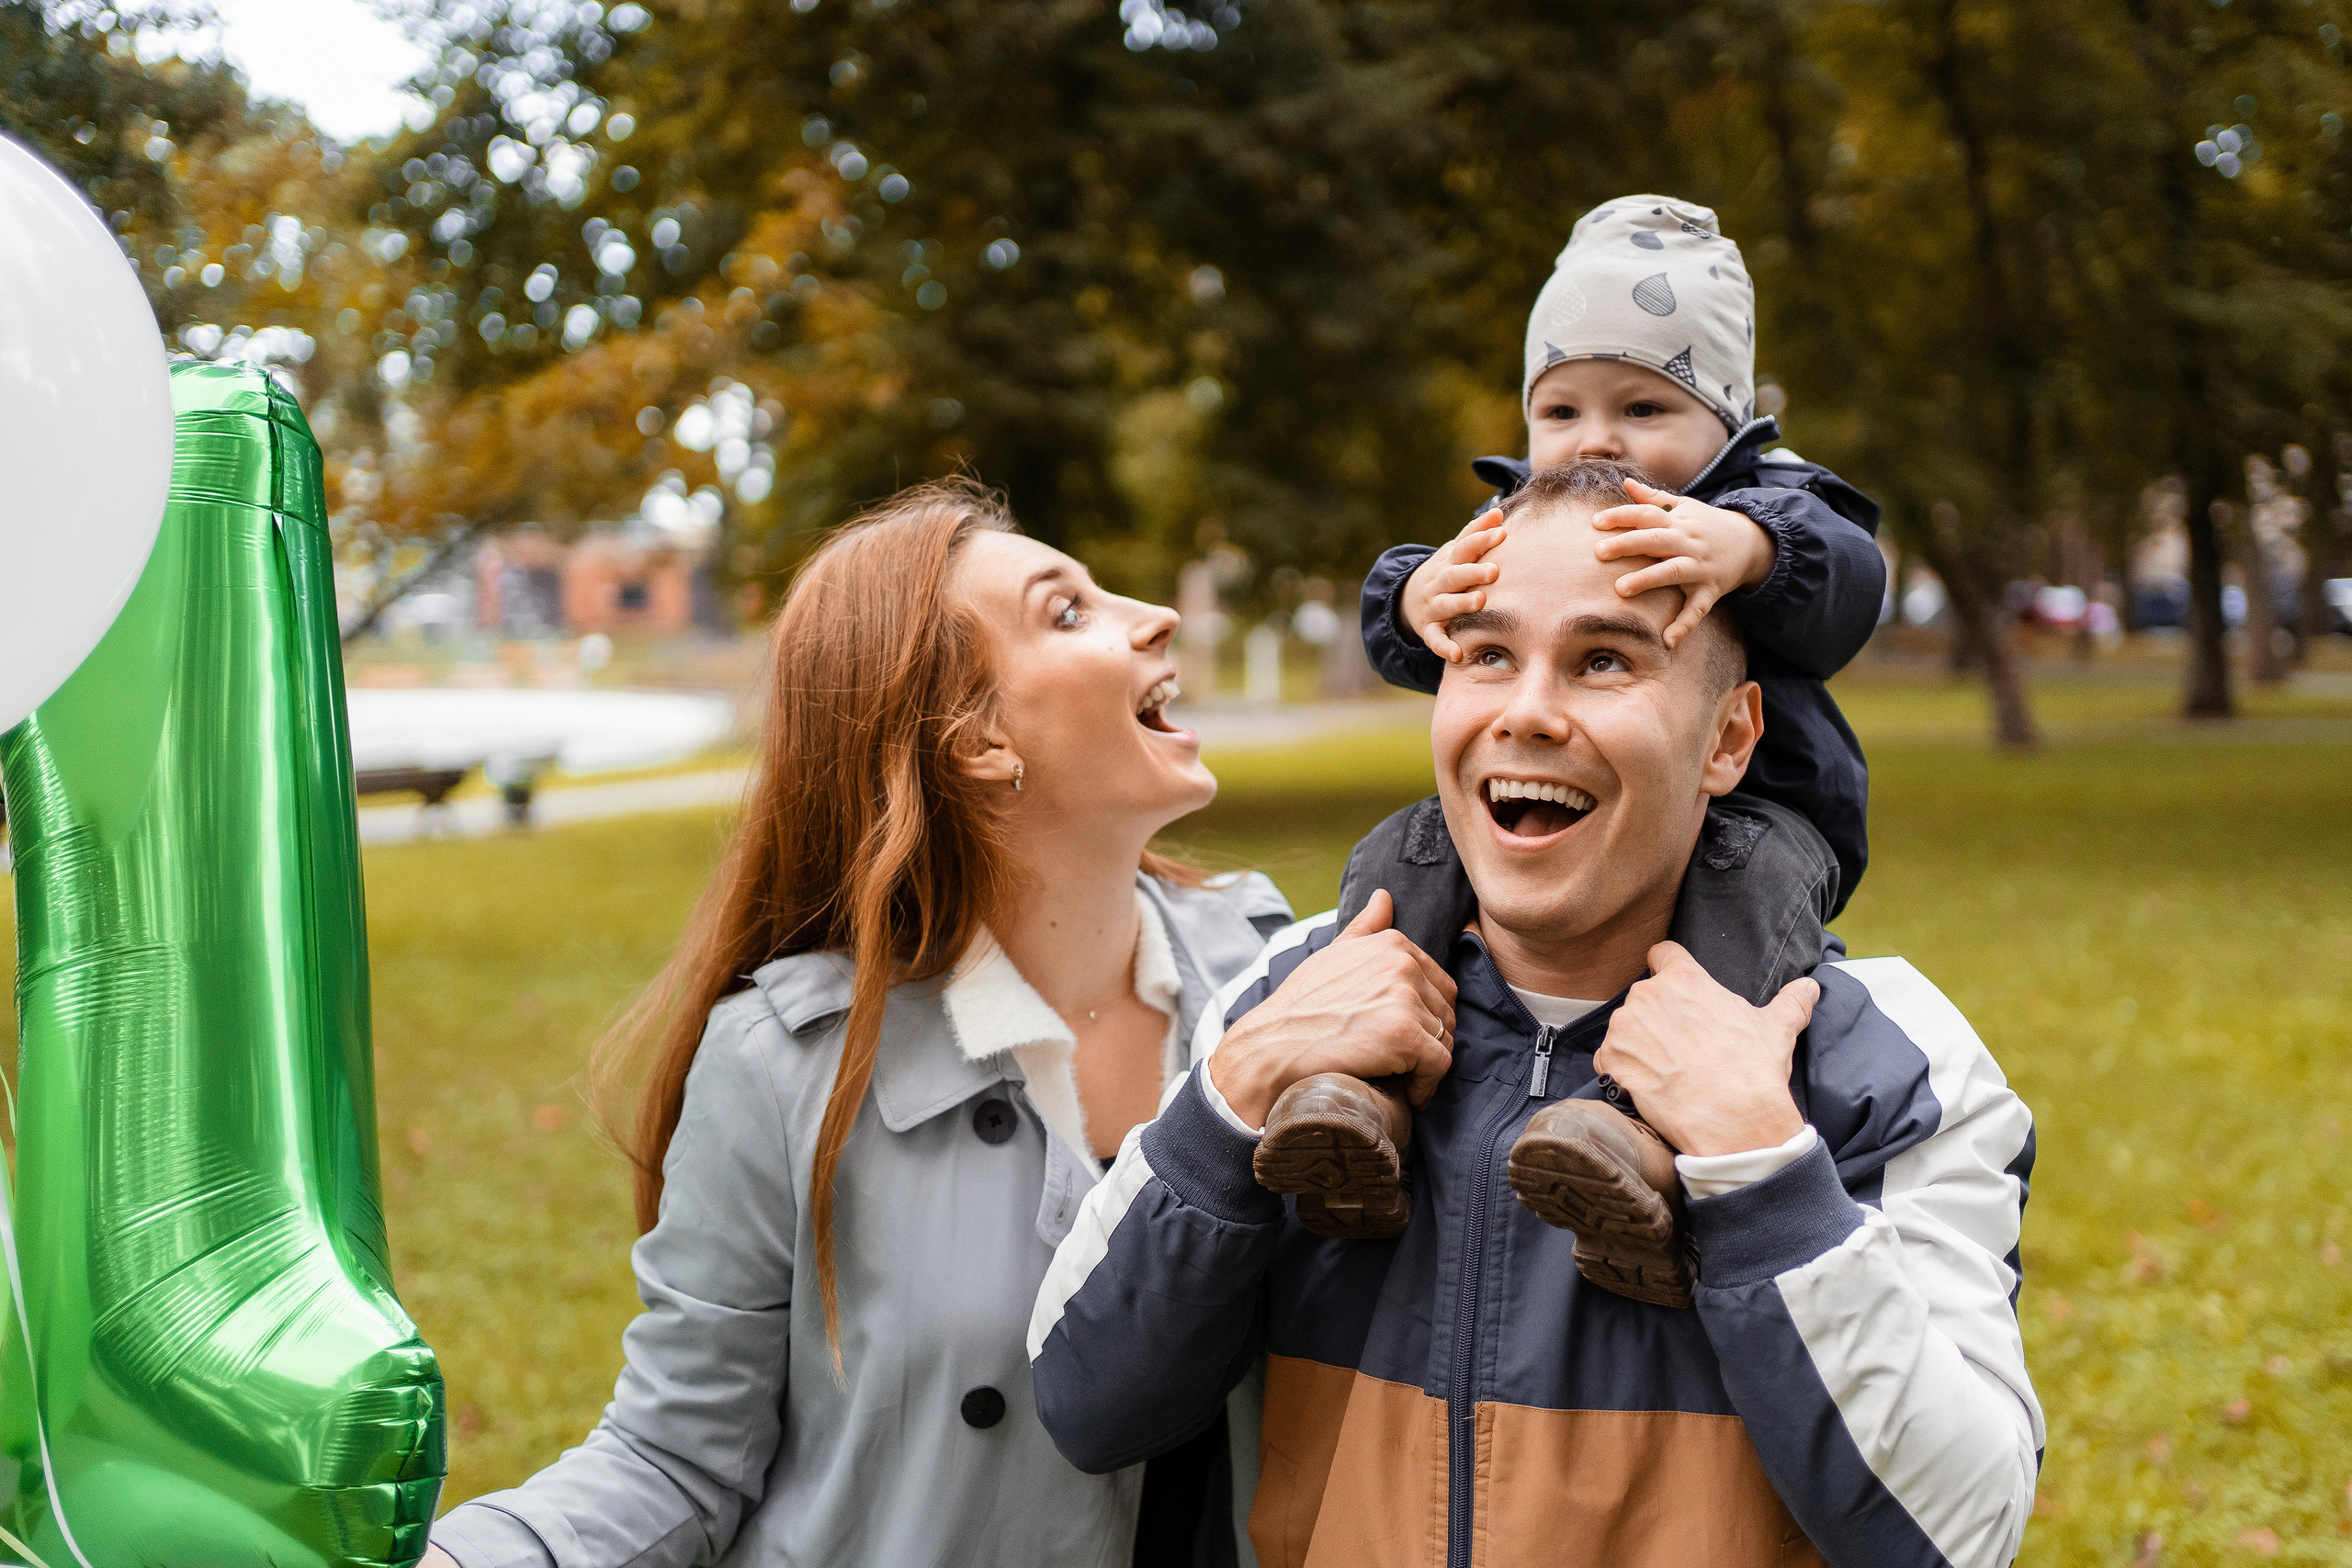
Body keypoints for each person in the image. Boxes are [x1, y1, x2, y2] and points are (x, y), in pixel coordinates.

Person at [1030, 461, 2040, 1568]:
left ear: (1728, 741)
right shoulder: (1291, 1004)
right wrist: (1228, 1105)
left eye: (1603, 660)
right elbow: (1085, 1404)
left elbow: (1961, 1535)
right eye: (1485, 655)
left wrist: (1760, 1168)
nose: (1526, 712)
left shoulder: (1878, 1058)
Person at [424, 479, 1289, 1568]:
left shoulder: (1281, 979)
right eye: (1066, 610)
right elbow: (673, 1459)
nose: (1152, 615)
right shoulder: (789, 1068)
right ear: (979, 740)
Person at [1251, 195, 1886, 1280]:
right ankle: (1358, 1096)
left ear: (1726, 427)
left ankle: (1640, 1139)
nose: (1595, 439)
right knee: (1402, 861)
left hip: (1757, 817)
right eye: (1561, 409)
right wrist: (1412, 605)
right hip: (1554, 816)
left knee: (1738, 914)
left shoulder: (1760, 505)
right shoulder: (1514, 523)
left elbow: (1848, 584)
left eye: (1643, 406)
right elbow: (1412, 611)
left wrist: (1743, 548)